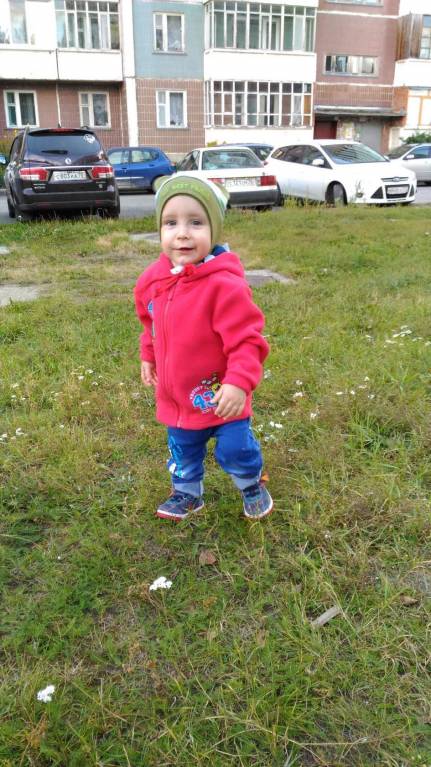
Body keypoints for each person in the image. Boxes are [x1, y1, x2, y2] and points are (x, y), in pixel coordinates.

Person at [134, 174, 273, 521]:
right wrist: (148, 355)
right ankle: (187, 494)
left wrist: (238, 383)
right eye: (171, 223)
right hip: (179, 397)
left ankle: (251, 484)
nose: (182, 233)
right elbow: (150, 322)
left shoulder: (224, 286)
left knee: (235, 449)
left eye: (195, 222)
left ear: (214, 230)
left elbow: (247, 340)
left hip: (223, 395)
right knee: (183, 450)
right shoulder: (153, 281)